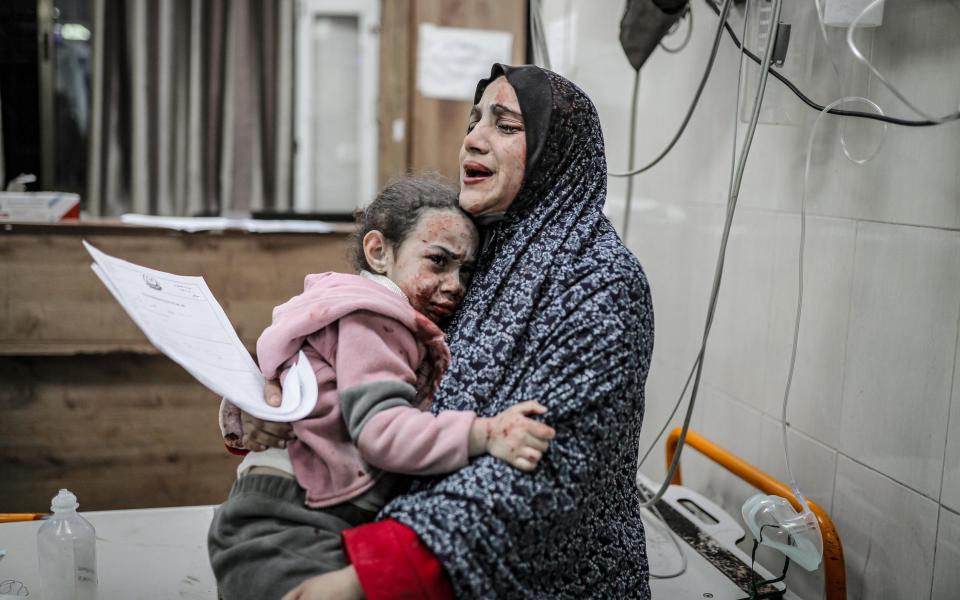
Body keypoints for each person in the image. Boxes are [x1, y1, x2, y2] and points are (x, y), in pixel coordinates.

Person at [254, 64, 655, 600]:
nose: (473, 138)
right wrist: (278, 408)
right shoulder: (480, 254)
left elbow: (550, 467)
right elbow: (385, 372)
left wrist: (378, 574)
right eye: (474, 121)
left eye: (505, 126)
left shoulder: (601, 281)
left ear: (554, 157)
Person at [207, 178, 557, 599]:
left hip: (284, 510)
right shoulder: (377, 319)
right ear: (379, 252)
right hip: (289, 522)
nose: (456, 285)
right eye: (438, 261)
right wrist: (483, 434)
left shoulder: (346, 302)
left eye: (466, 271)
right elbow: (381, 431)